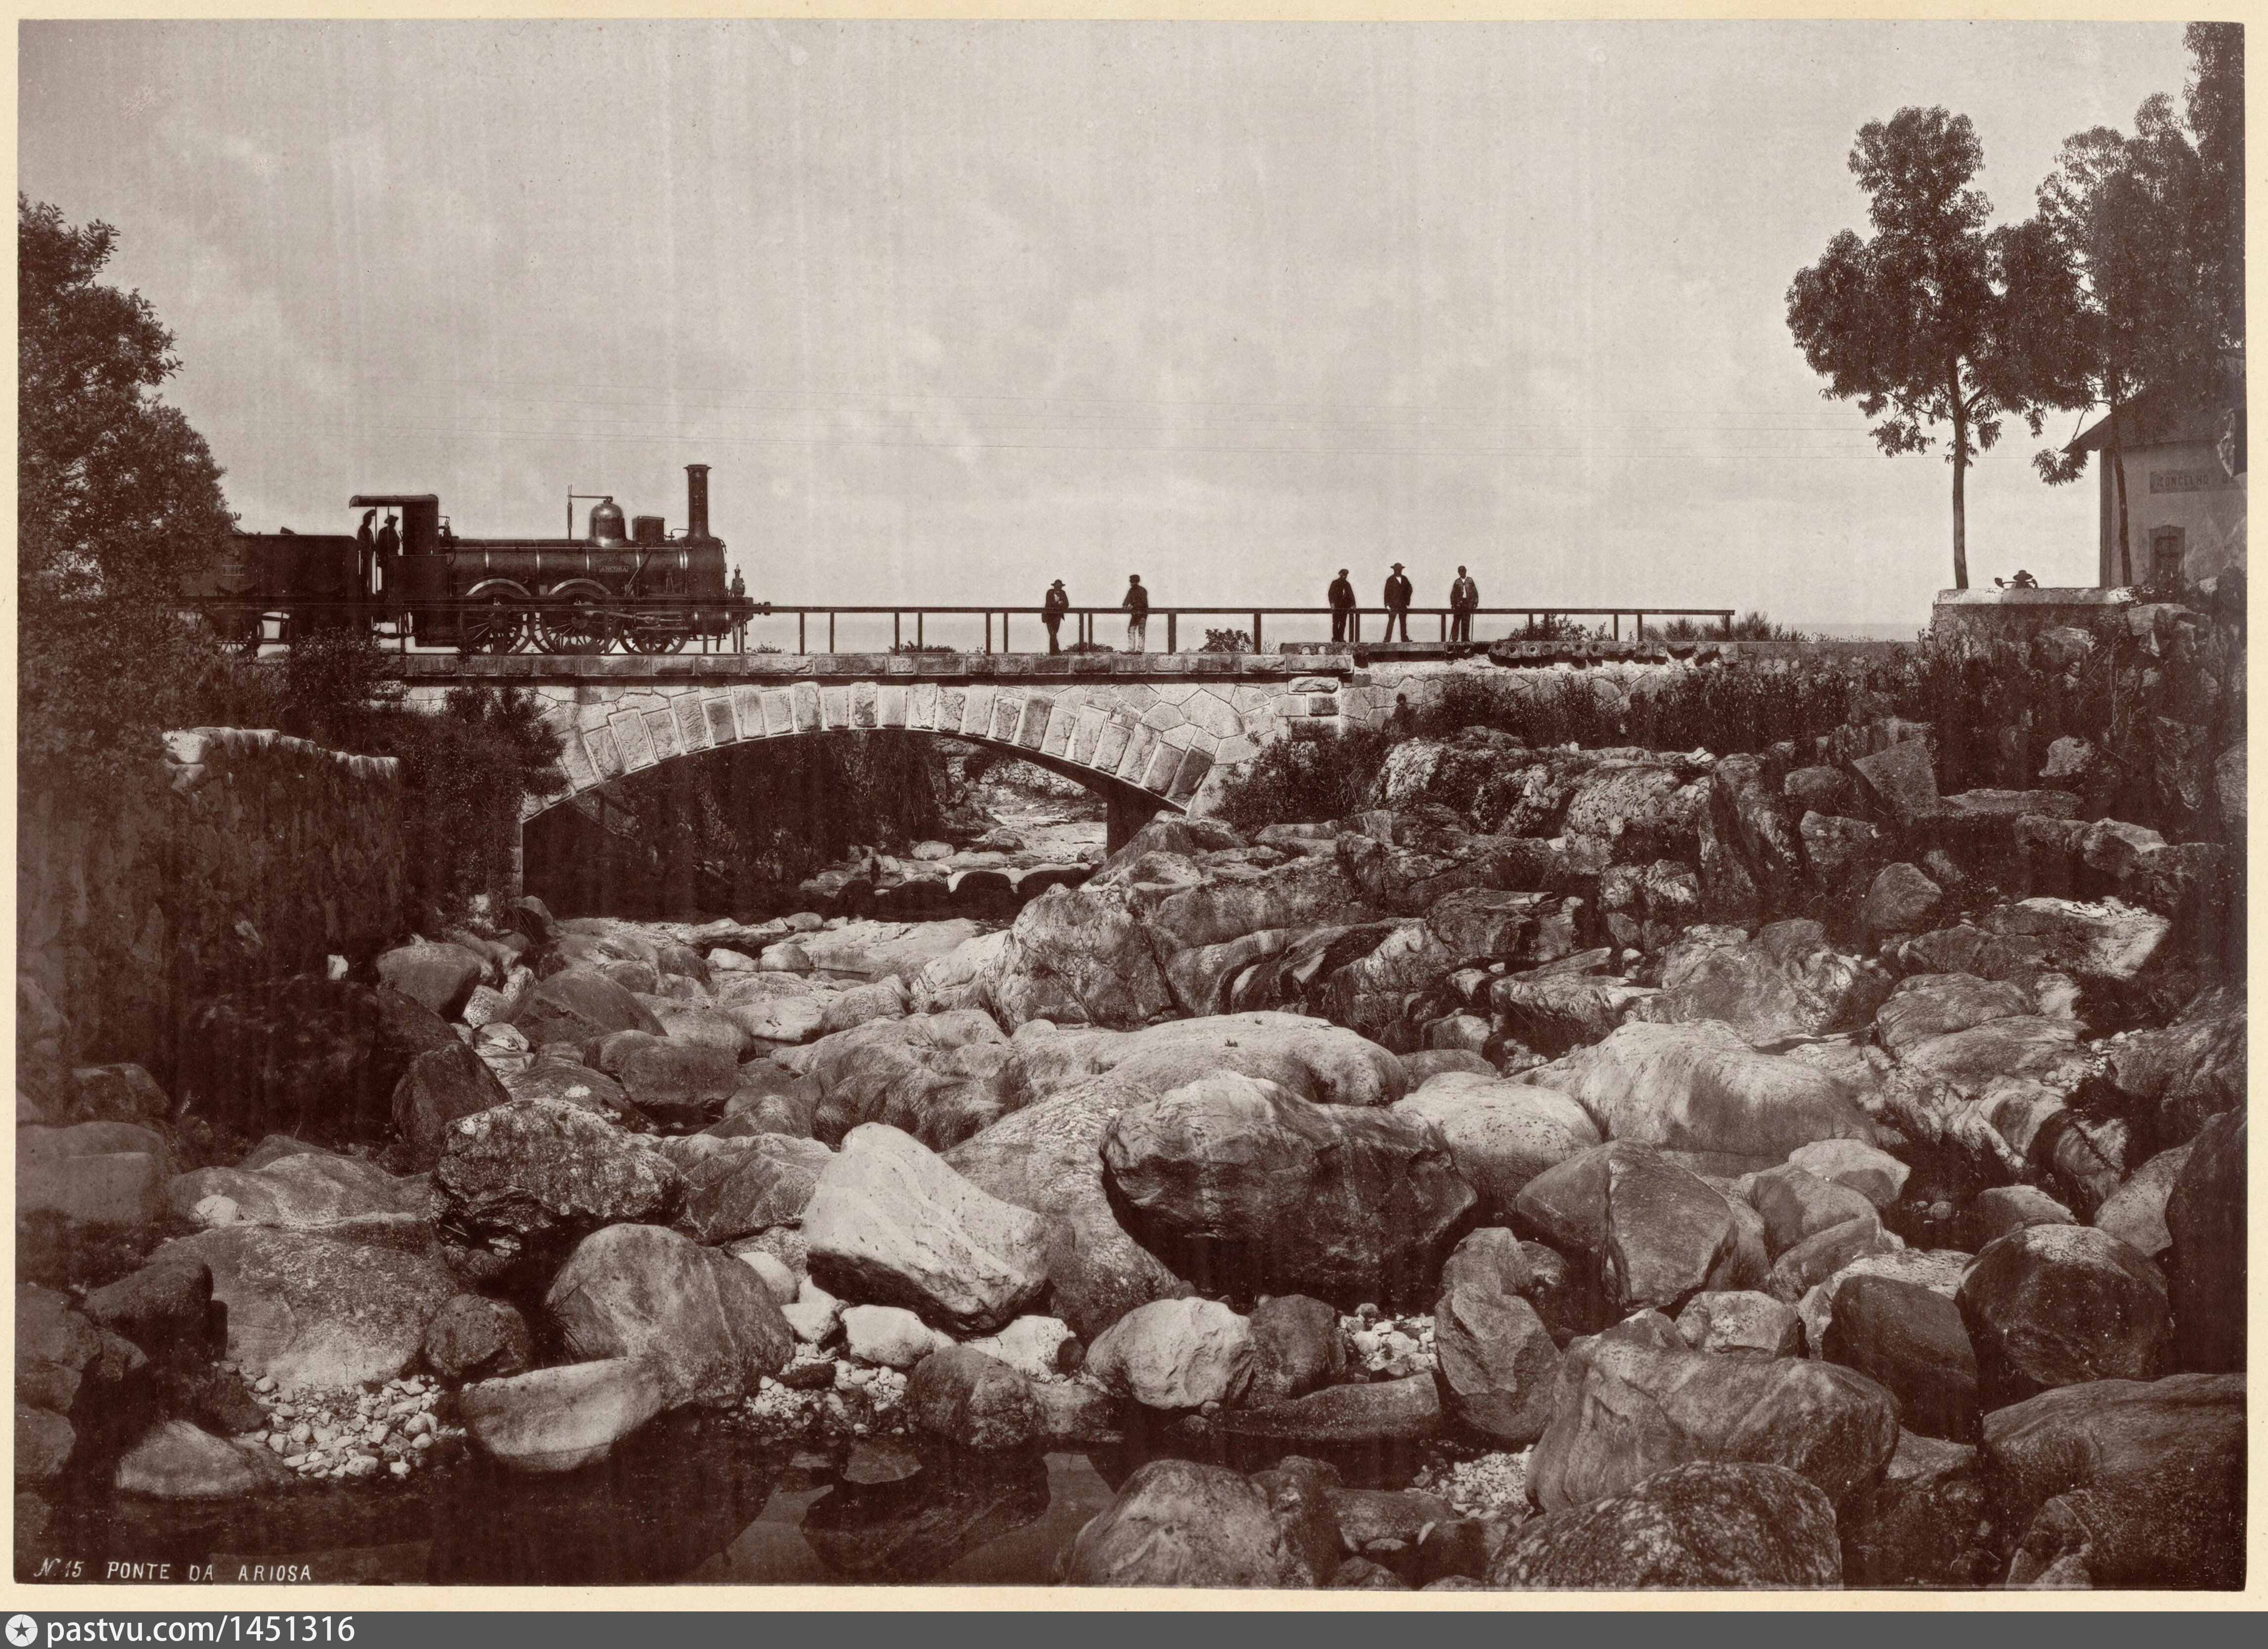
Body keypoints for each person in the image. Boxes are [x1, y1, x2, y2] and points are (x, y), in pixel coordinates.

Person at [1383, 562, 1413, 642]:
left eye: (1399, 570)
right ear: (1394, 570)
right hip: (1393, 605)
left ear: (1401, 570)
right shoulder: (1390, 580)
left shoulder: (1405, 579)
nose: (1398, 571)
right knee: (1391, 622)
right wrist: (1387, 605)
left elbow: (1410, 589)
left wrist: (1407, 600)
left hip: (1403, 605)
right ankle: (1387, 639)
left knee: (1403, 622)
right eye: (1396, 570)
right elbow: (1386, 593)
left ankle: (1404, 638)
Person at [1449, 565, 1480, 643]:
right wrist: (1453, 603)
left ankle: (1465, 639)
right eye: (1460, 571)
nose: (1461, 573)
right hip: (1459, 605)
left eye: (1463, 571)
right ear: (1458, 572)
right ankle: (1454, 639)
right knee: (1456, 622)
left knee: (1466, 622)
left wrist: (1475, 602)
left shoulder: (1470, 581)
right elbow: (1453, 593)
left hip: (1468, 604)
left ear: (1466, 571)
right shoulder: (1457, 582)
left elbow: (1475, 592)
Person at [1327, 568, 1357, 642]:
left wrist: (1353, 605)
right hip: (1337, 607)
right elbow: (1331, 594)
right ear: (1340, 575)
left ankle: (1341, 638)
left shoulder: (1347, 585)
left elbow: (1351, 595)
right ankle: (1335, 638)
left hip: (1345, 607)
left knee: (1343, 623)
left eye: (1346, 575)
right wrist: (1332, 604)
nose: (1344, 576)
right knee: (1336, 623)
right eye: (1343, 575)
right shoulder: (1335, 583)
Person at [1122, 574, 1149, 652]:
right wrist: (1125, 605)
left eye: (1133, 582)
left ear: (1137, 582)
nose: (1132, 583)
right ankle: (1131, 649)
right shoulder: (1131, 591)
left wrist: (1133, 606)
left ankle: (1140, 650)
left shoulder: (1143, 590)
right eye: (1131, 582)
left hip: (1142, 614)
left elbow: (1143, 603)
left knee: (1141, 632)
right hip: (1135, 615)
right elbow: (1127, 599)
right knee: (1131, 630)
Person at [1043, 579, 1071, 654]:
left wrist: (1058, 604)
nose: (1058, 589)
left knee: (1054, 633)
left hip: (1058, 616)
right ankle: (1056, 650)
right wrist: (1059, 603)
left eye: (1060, 587)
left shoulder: (1063, 593)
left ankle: (1052, 652)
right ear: (1054, 587)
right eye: (1057, 587)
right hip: (1049, 616)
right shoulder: (1049, 593)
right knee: (1052, 634)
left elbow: (1067, 604)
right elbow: (1049, 605)